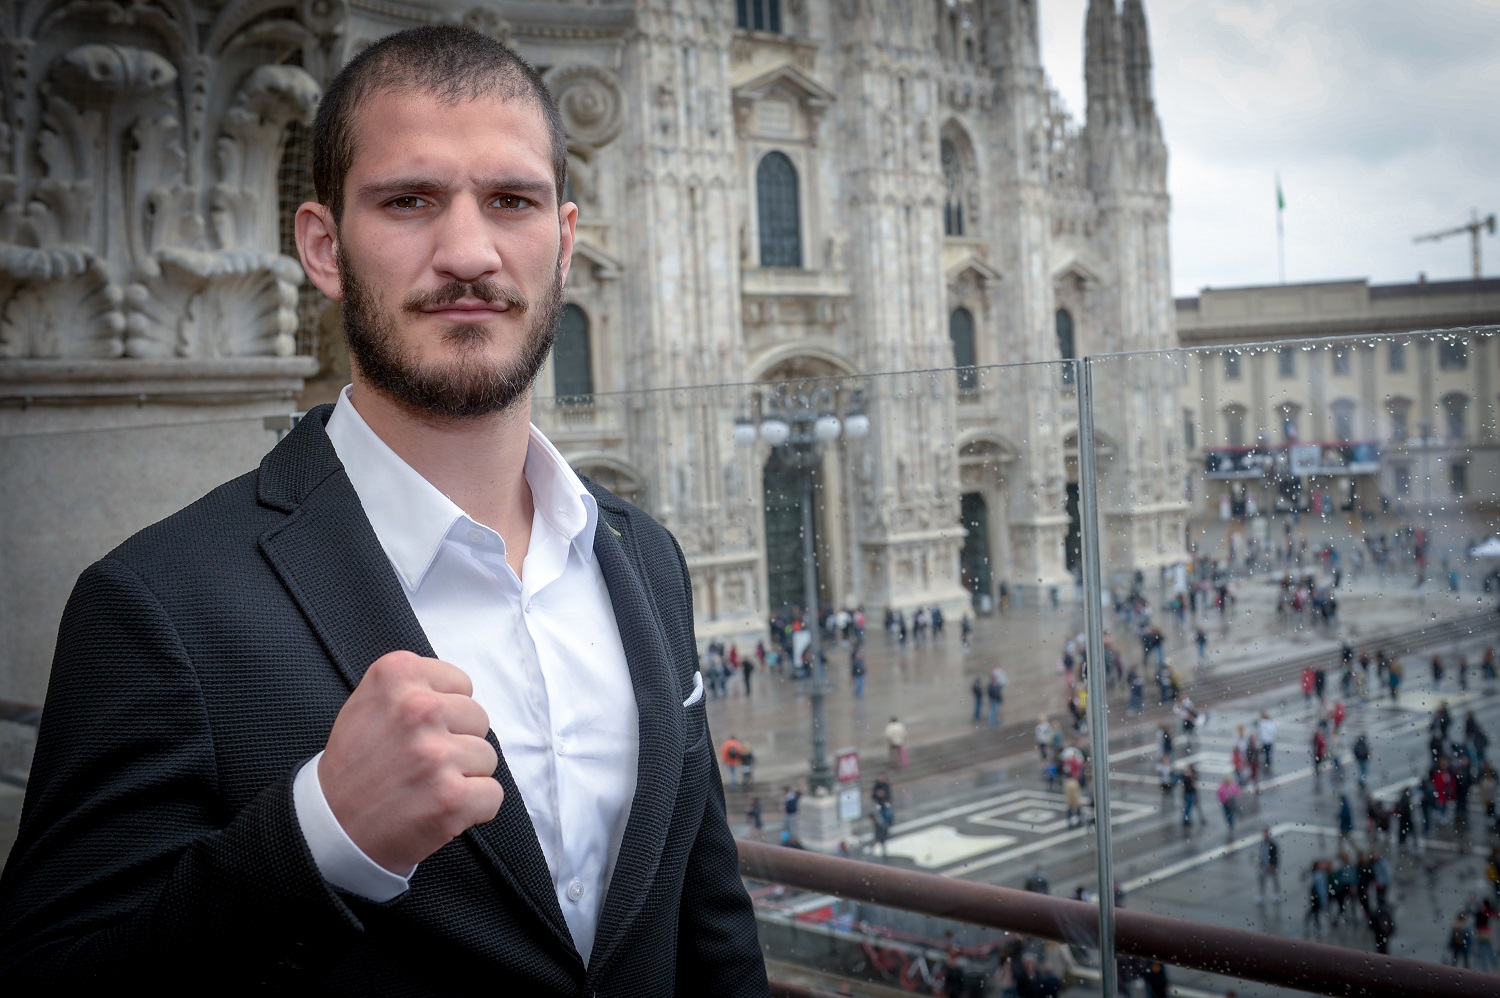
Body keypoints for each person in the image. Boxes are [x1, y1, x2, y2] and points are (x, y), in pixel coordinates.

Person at [0, 27, 767, 993]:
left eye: (512, 202)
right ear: (324, 247)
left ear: (564, 242)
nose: (469, 252)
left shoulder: (644, 556)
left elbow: (712, 932)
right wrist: (320, 834)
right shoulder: (156, 604)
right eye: (409, 202)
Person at [1258, 828, 1282, 902]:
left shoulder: (1273, 844)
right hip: (1264, 865)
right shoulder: (1263, 843)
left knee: (1274, 880)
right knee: (1262, 880)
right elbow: (1262, 854)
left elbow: (1275, 855)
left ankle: (1277, 894)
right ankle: (1261, 895)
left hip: (1271, 865)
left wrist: (1273, 864)